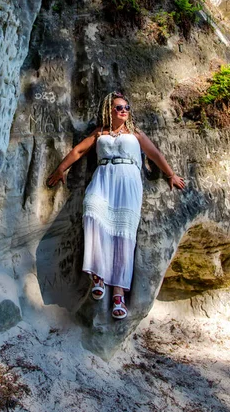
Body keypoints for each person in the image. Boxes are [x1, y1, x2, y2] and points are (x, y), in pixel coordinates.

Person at [47, 91, 185, 319]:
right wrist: (61, 169)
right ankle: (97, 274)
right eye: (119, 107)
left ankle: (118, 294)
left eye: (126, 108)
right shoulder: (100, 132)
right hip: (103, 176)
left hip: (128, 179)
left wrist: (170, 174)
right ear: (109, 110)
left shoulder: (135, 134)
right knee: (91, 213)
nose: (123, 111)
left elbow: (154, 154)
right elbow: (79, 150)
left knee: (124, 234)